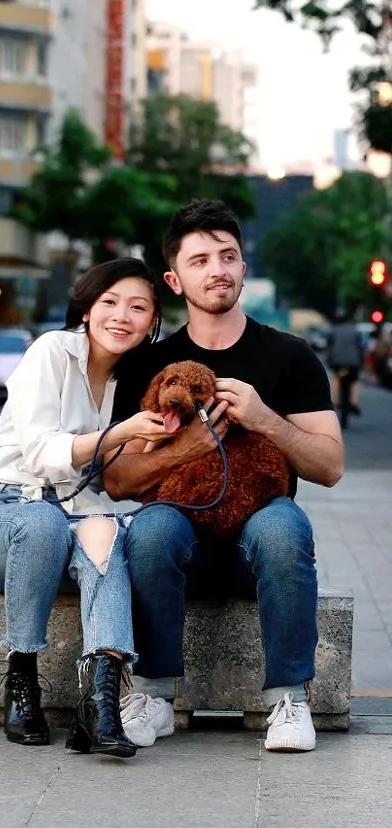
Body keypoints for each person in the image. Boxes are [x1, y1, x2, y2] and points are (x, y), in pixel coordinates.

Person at [105, 199, 344, 753]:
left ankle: (289, 700)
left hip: (257, 536)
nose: (217, 269)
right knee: (149, 529)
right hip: (179, 539)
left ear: (243, 267)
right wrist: (184, 448)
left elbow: (330, 467)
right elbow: (118, 482)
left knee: (285, 527)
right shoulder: (148, 364)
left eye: (228, 256)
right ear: (174, 278)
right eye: (200, 260)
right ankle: (153, 693)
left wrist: (265, 421)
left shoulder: (290, 356)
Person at [0, 258, 175, 758]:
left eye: (138, 307)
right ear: (87, 307)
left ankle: (99, 707)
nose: (122, 316)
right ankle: (21, 679)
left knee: (105, 537)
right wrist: (121, 434)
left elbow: (112, 486)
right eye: (110, 303)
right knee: (42, 523)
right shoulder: (52, 351)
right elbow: (39, 454)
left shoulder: (131, 381)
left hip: (71, 519)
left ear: (152, 320)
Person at [326, 307, 364, 415]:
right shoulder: (355, 330)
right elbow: (360, 347)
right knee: (355, 381)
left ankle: (335, 401)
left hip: (338, 362)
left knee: (337, 378)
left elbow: (330, 347)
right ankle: (354, 402)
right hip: (353, 362)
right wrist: (361, 362)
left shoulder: (333, 330)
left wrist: (330, 360)